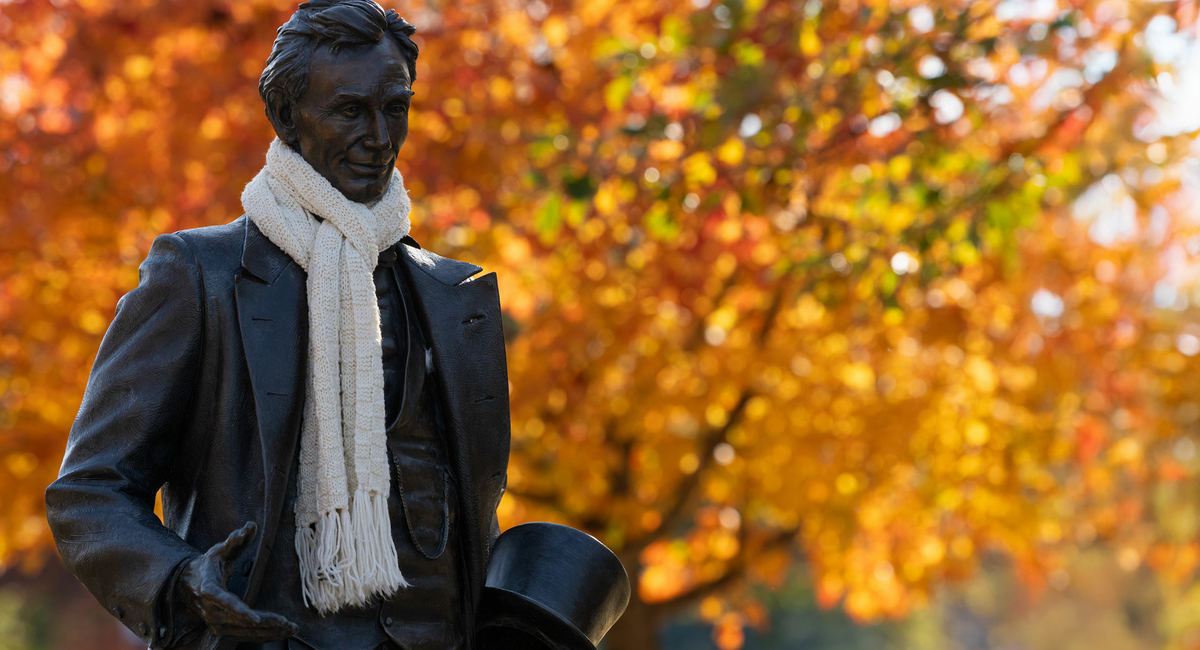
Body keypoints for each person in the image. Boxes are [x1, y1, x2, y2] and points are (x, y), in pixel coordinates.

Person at [45, 2, 511, 649]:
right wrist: (180, 581)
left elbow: (475, 516)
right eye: (350, 110)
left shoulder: (455, 296)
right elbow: (89, 491)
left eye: (395, 108)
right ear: (287, 116)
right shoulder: (199, 275)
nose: (379, 136)